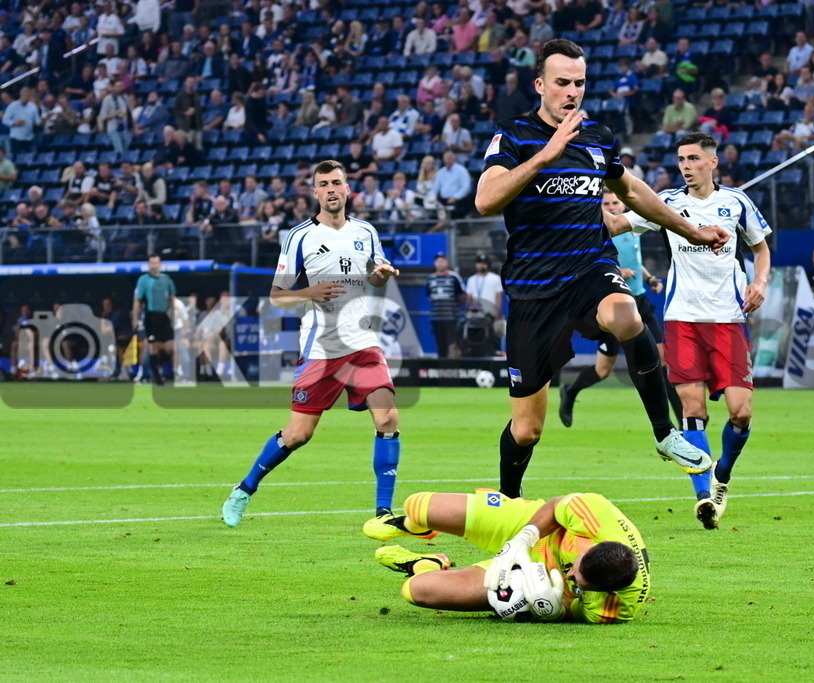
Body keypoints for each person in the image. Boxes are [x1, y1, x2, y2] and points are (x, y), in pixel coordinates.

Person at [475, 39, 729, 498]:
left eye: (579, 83)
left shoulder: (598, 136)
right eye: (562, 83)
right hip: (533, 290)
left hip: (590, 267)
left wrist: (690, 230)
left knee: (626, 314)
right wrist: (544, 156)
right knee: (527, 429)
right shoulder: (512, 134)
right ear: (540, 85)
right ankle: (508, 503)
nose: (572, 91)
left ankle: (665, 434)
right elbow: (486, 200)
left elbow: (631, 189)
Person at [222, 160, 404, 529]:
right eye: (324, 184)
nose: (332, 188)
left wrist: (380, 276)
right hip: (321, 347)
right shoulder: (300, 236)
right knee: (298, 434)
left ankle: (383, 512)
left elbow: (375, 277)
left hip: (362, 342)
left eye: (337, 182)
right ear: (316, 192)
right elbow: (276, 297)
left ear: (348, 189)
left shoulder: (366, 232)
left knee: (387, 417)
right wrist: (309, 292)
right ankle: (243, 490)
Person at [603, 132, 771, 530]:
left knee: (740, 413)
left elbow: (761, 249)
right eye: (681, 158)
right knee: (692, 410)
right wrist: (586, 193)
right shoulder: (667, 203)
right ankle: (702, 498)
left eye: (694, 158)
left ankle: (721, 478)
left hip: (729, 319)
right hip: (682, 320)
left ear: (712, 163)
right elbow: (616, 224)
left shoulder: (736, 202)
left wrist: (760, 283)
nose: (686, 165)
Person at [364, 489, 649, 624]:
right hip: (533, 526)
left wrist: (552, 608)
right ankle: (414, 527)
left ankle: (424, 564)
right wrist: (521, 540)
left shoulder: (615, 607)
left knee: (417, 591)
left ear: (606, 590)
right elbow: (554, 506)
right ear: (595, 546)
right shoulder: (596, 516)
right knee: (419, 505)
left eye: (579, 583)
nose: (572, 575)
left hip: (533, 577)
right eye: (575, 568)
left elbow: (569, 612)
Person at [558, 188, 681, 429]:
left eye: (615, 202)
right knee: (603, 370)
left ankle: (682, 427)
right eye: (607, 204)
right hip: (612, 306)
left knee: (663, 362)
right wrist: (615, 271)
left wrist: (649, 279)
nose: (612, 207)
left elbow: (635, 260)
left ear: (623, 205)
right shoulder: (596, 231)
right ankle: (570, 391)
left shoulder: (631, 227)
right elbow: (586, 262)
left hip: (640, 302)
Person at [132, 254, 176, 385]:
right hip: (151, 316)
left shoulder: (166, 279)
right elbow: (138, 300)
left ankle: (165, 370)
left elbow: (172, 297)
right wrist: (135, 317)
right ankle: (154, 375)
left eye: (156, 263)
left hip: (163, 316)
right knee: (152, 346)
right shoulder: (143, 280)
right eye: (151, 263)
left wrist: (172, 313)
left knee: (170, 347)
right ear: (148, 265)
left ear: (160, 264)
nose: (154, 266)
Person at [425, 253, 465, 358]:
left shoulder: (454, 277)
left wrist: (453, 307)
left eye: (442, 261)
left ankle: (454, 368)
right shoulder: (430, 279)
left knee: (453, 343)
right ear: (435, 263)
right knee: (440, 344)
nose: (440, 263)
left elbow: (460, 296)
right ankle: (441, 369)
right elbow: (429, 296)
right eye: (438, 261)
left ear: (446, 263)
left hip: (451, 317)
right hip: (436, 317)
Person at [465, 252, 505, 333]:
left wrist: (498, 313)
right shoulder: (471, 279)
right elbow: (469, 298)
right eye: (479, 263)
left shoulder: (495, 278)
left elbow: (498, 298)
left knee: (493, 335)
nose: (481, 265)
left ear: (488, 264)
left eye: (484, 263)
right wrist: (468, 310)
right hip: (475, 312)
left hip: (490, 312)